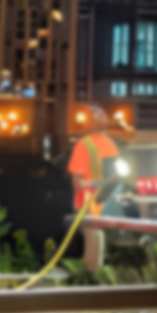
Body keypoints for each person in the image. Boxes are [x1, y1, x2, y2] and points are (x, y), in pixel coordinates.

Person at [64, 104, 121, 270]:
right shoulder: (83, 145)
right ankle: (91, 274)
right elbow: (77, 182)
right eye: (96, 115)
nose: (100, 118)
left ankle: (95, 273)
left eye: (102, 114)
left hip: (106, 203)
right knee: (94, 237)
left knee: (100, 239)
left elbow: (115, 175)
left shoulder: (111, 145)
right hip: (87, 204)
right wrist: (97, 185)